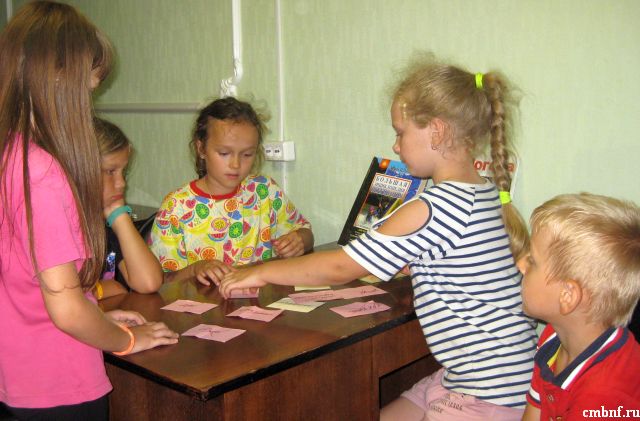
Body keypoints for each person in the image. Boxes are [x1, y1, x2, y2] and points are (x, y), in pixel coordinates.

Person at [218, 53, 538, 420]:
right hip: (496, 377)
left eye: (401, 132)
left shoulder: (433, 207)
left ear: (436, 131)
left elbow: (340, 267)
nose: (396, 146)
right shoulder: (482, 191)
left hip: (488, 392)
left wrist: (260, 272)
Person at [0, 2, 178, 419]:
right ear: (59, 78)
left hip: (20, 371)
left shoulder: (11, 153)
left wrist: (100, 317)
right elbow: (66, 309)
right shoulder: (43, 173)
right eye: (88, 89)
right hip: (60, 382)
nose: (88, 104)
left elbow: (34, 281)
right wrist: (126, 340)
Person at [149, 97, 314, 286]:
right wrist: (195, 269)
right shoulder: (176, 207)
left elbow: (305, 232)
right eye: (224, 153)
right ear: (201, 148)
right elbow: (160, 280)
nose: (236, 164)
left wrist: (299, 240)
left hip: (261, 299)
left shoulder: (265, 191)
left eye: (247, 154)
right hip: (204, 303)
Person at [519, 193, 640, 421]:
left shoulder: (603, 395)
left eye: (532, 261)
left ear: (568, 295)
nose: (520, 264)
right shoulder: (554, 337)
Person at [94, 117, 163, 300]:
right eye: (110, 171)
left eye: (123, 172)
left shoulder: (106, 225)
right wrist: (100, 290)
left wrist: (119, 214)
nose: (122, 183)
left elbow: (149, 282)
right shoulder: (59, 227)